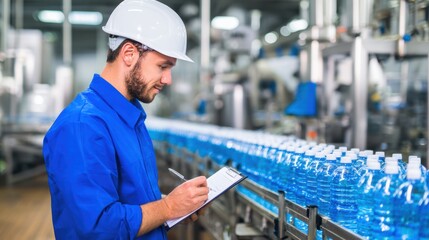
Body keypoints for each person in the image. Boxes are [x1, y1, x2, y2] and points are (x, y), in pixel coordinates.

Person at [42, 0, 209, 239]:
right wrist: (168, 207)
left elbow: (129, 201)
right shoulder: (82, 126)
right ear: (129, 54)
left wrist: (177, 206)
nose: (168, 79)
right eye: (163, 66)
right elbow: (97, 226)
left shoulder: (129, 118)